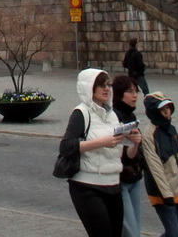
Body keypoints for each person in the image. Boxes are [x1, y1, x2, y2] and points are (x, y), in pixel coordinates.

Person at [60, 68, 141, 237]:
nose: (106, 89)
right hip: (87, 186)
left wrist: (134, 144)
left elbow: (126, 155)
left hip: (113, 184)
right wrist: (101, 142)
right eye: (101, 85)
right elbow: (66, 147)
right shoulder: (81, 113)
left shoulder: (113, 116)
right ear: (89, 88)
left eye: (108, 85)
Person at [139, 92, 178, 237]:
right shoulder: (149, 134)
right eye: (162, 109)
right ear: (154, 112)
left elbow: (177, 160)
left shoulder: (170, 129)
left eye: (168, 107)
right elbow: (154, 167)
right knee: (175, 234)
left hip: (176, 189)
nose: (167, 111)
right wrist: (166, 195)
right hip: (161, 193)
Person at [112, 76, 144, 237]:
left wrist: (137, 143)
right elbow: (123, 155)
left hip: (135, 178)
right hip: (121, 181)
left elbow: (132, 154)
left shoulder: (131, 117)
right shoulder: (115, 117)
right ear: (119, 94)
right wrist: (135, 144)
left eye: (136, 91)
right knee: (131, 232)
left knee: (135, 228)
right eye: (129, 91)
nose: (135, 95)